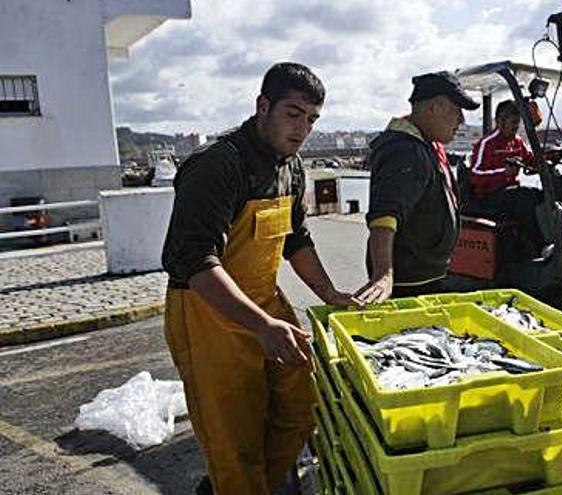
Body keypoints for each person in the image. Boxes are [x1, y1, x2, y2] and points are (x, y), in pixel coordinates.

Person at [161, 62, 356, 495]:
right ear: (262, 106)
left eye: (311, 119)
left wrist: (330, 293)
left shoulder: (292, 166)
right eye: (293, 113)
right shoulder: (217, 166)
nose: (302, 128)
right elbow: (195, 262)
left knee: (300, 404)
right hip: (207, 312)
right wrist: (261, 326)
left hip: (264, 301)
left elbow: (295, 239)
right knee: (234, 438)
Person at [355, 71, 479, 303]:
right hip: (409, 281)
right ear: (434, 107)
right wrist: (383, 274)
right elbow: (385, 216)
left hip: (426, 274)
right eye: (456, 110)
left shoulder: (426, 143)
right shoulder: (406, 151)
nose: (461, 120)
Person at [468, 99, 550, 257]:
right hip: (489, 196)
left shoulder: (517, 141)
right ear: (500, 122)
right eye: (513, 122)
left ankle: (551, 239)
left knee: (539, 195)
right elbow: (475, 174)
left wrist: (547, 158)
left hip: (509, 194)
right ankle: (540, 246)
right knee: (523, 196)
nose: (516, 127)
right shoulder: (487, 143)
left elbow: (531, 161)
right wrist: (503, 172)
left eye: (517, 123)